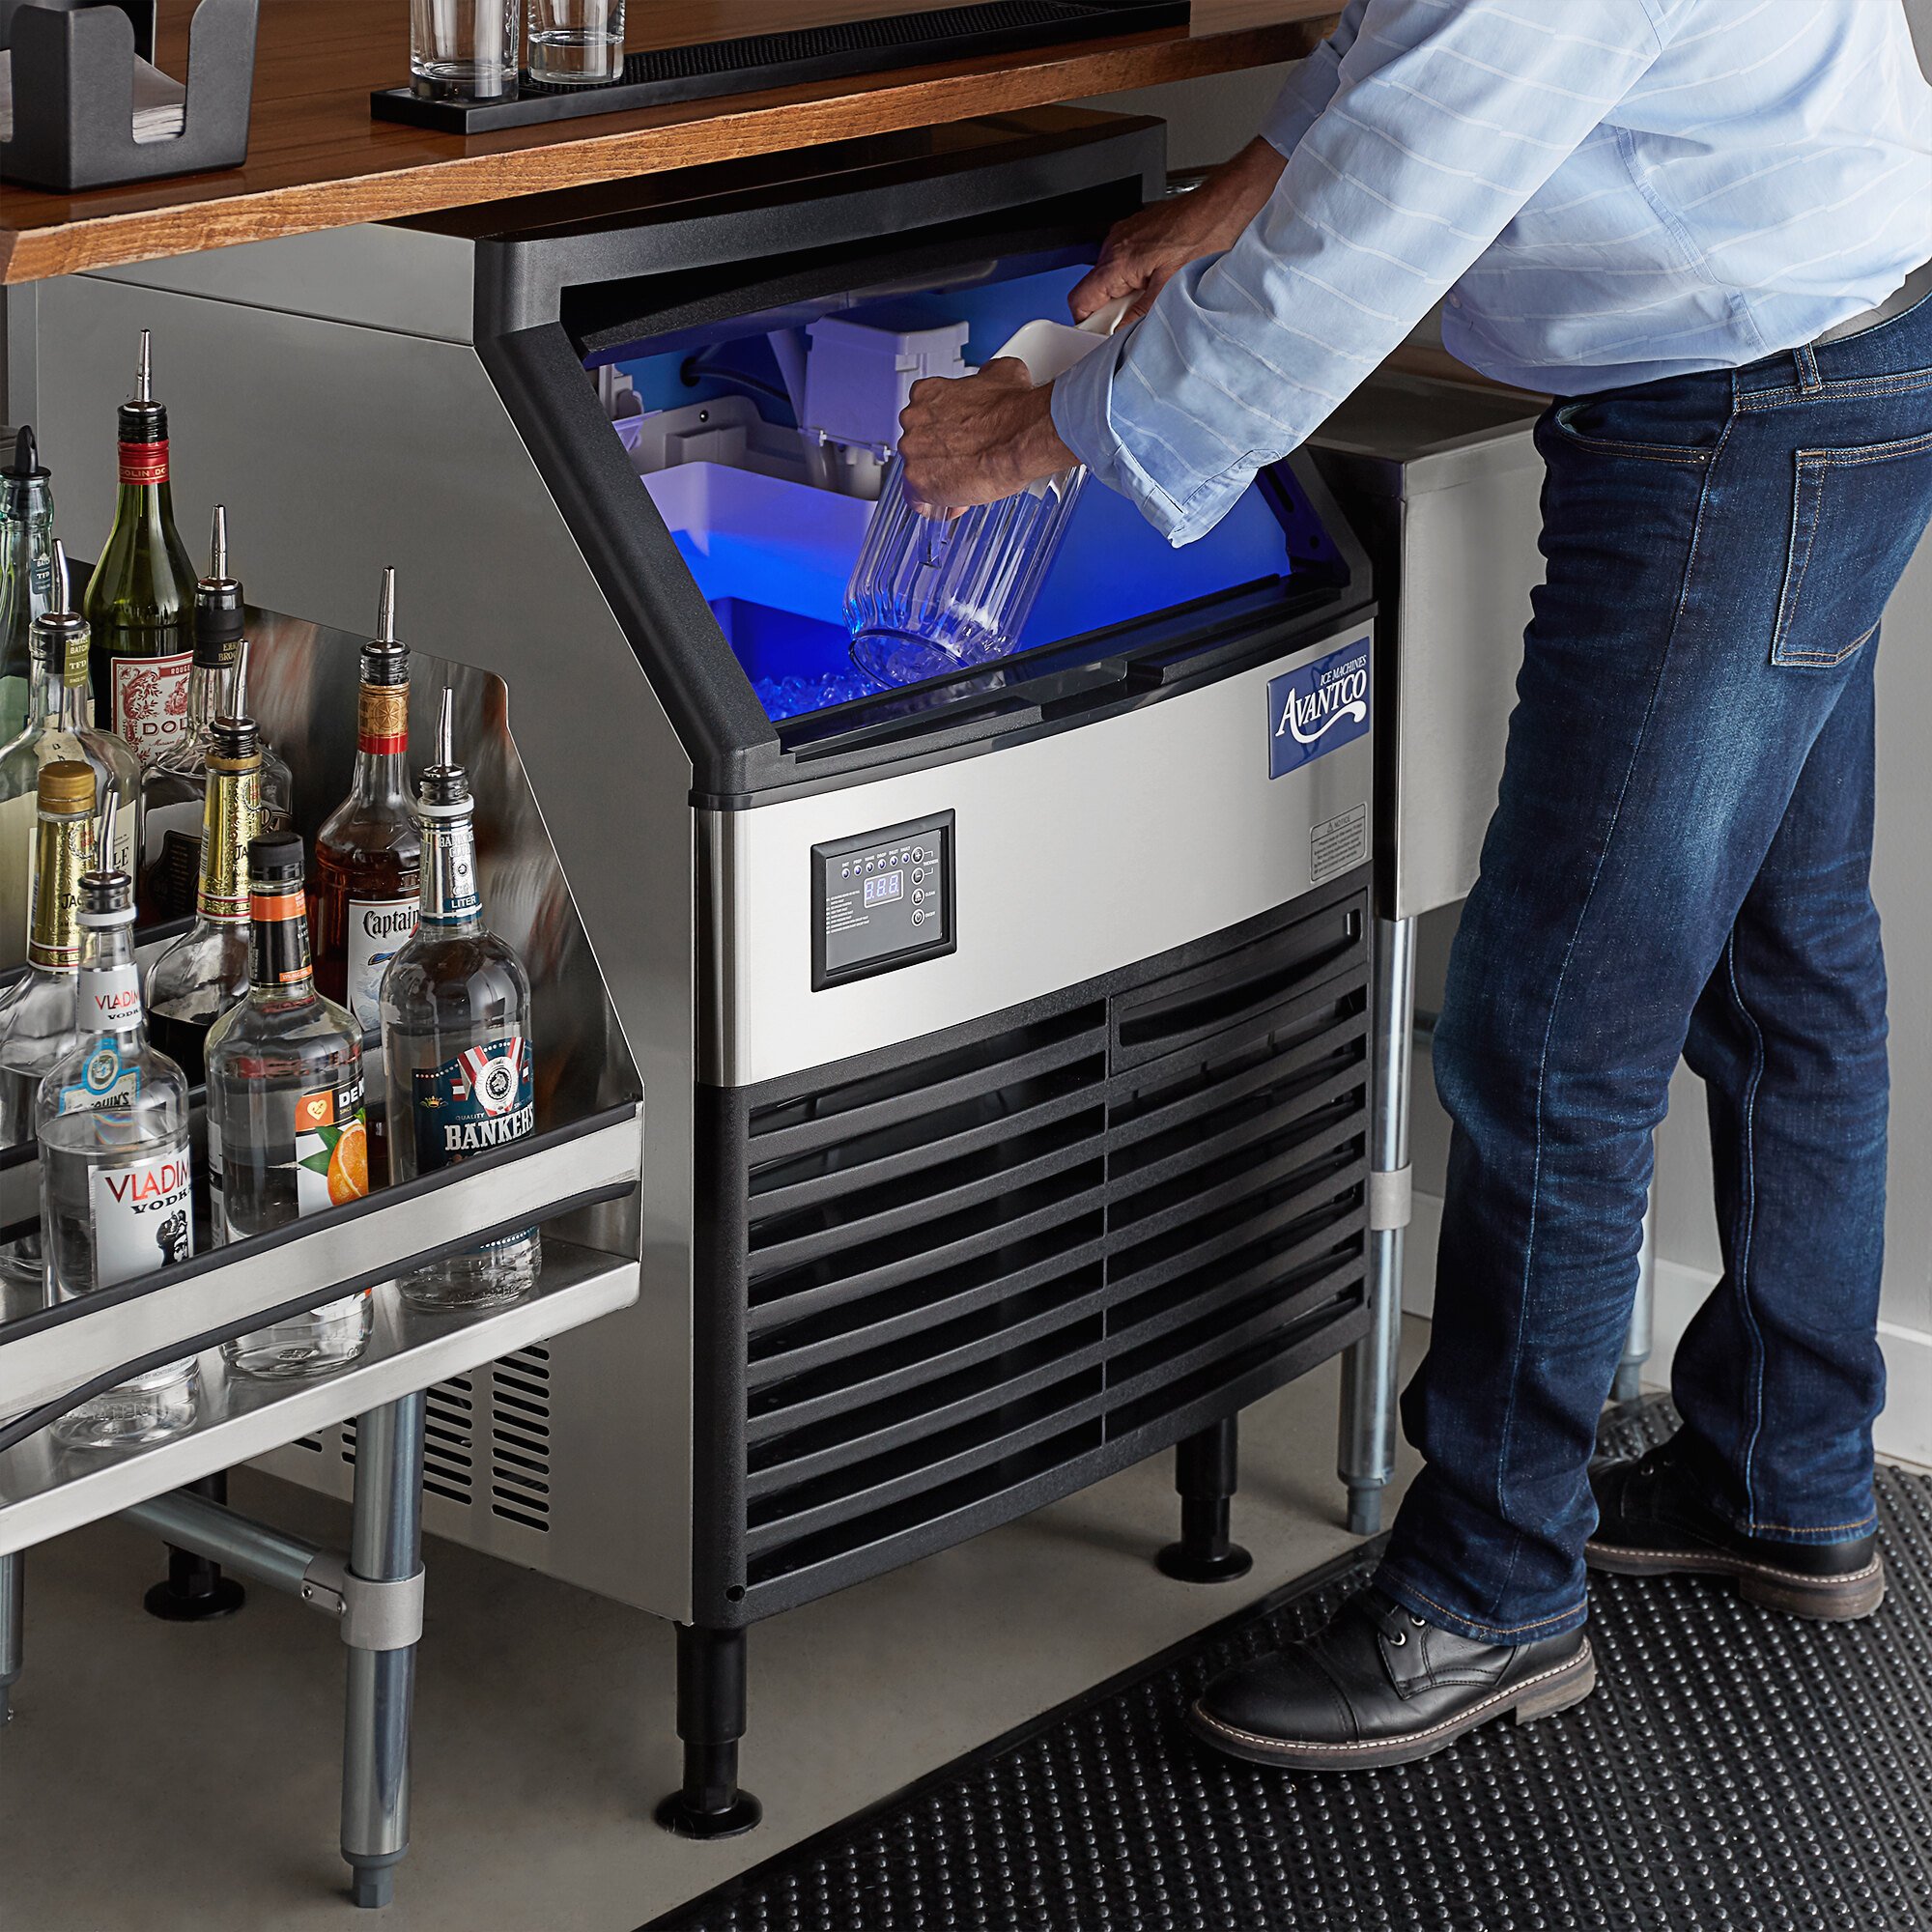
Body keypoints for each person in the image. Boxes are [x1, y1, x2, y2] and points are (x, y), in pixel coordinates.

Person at [898, 0, 1932, 1771]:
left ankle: (1490, 1593)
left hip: (1733, 411)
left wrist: (1044, 432)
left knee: (1550, 1031)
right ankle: (1787, 1473)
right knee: (1784, 958)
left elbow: (1392, 206)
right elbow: (1407, 49)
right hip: (1834, 346)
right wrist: (1238, 185)